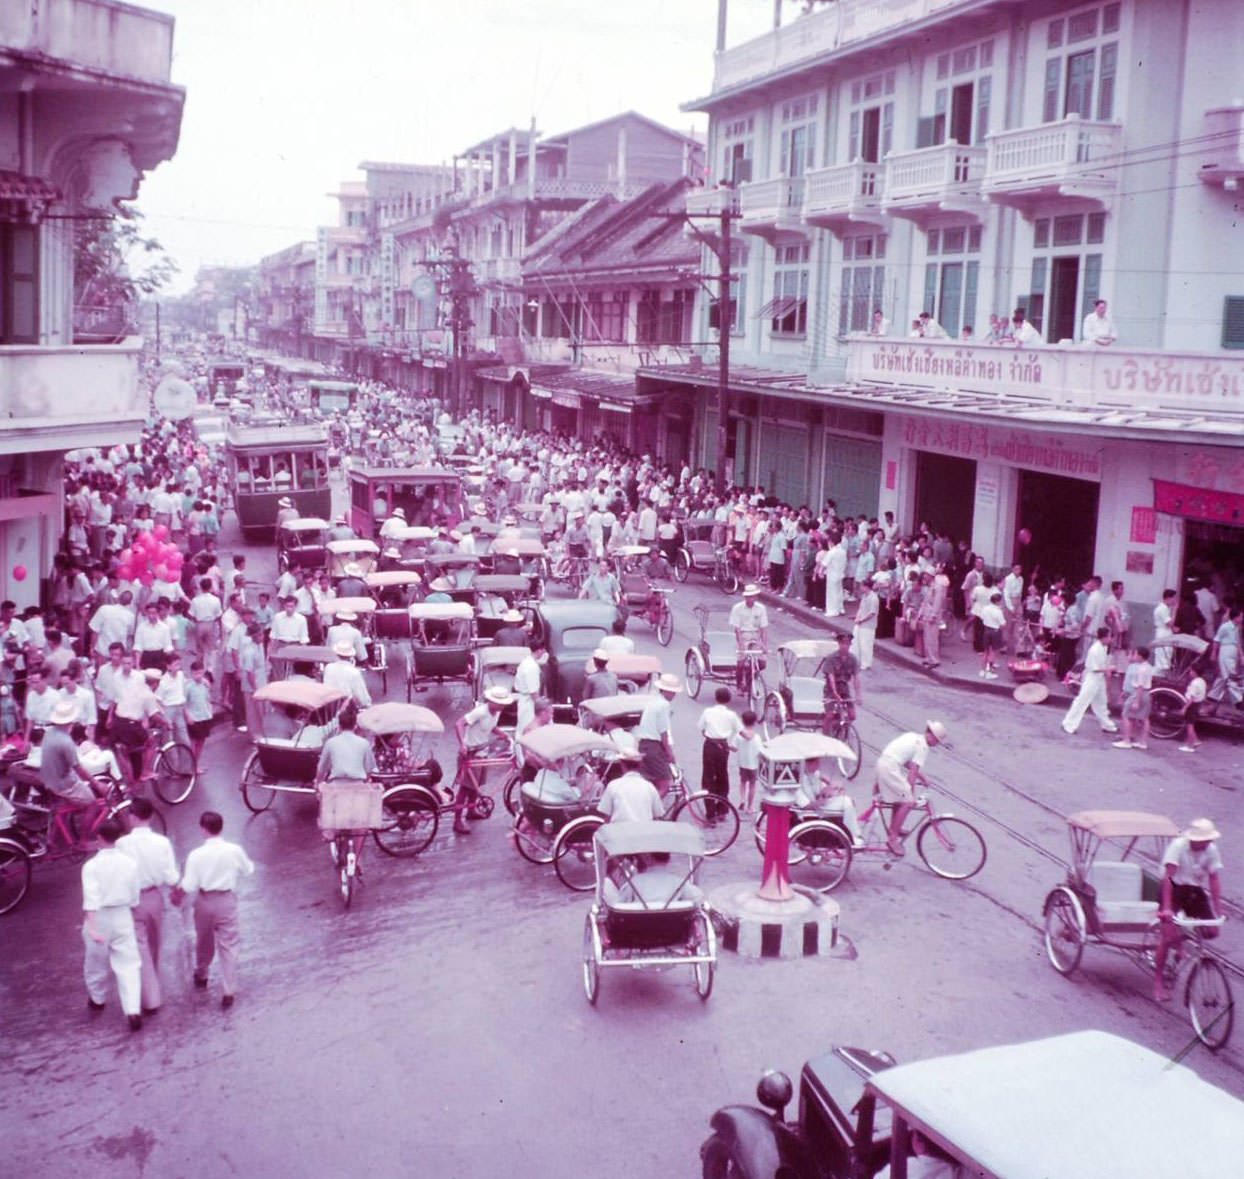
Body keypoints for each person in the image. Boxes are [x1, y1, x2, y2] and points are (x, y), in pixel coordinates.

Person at [172, 811, 255, 1009]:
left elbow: (190, 885)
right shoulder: (234, 850)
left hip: (204, 901)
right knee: (228, 945)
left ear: (203, 829)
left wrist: (178, 893)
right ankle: (229, 989)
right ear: (221, 827)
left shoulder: (196, 855)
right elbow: (248, 870)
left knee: (204, 940)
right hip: (226, 900)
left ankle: (202, 972)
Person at [115, 797, 179, 1015]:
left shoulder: (122, 844)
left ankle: (148, 991)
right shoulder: (162, 843)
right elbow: (171, 875)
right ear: (151, 816)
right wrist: (176, 891)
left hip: (132, 900)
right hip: (155, 898)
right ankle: (150, 991)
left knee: (140, 946)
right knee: (154, 944)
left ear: (132, 816)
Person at [81, 817, 144, 1031]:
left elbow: (90, 898)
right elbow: (135, 894)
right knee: (129, 963)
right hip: (123, 915)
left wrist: (92, 927)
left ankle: (97, 999)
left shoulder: (91, 866)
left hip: (100, 916)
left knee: (95, 963)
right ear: (118, 838)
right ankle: (132, 1009)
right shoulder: (130, 863)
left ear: (99, 838)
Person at [1153, 818, 1223, 1002]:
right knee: (1167, 937)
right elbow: (1168, 878)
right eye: (1206, 839)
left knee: (1212, 930)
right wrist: (1167, 908)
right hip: (1173, 888)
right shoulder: (1178, 846)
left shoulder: (1211, 849)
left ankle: (1180, 943)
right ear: (1195, 839)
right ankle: (1158, 980)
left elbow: (1214, 878)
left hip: (1194, 890)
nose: (1209, 842)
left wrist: (1218, 909)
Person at [314, 709, 379, 864]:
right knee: (361, 826)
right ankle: (355, 859)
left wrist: (318, 783)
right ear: (355, 725)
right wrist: (365, 781)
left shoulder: (331, 743)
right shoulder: (364, 743)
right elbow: (370, 770)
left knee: (324, 798)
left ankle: (330, 829)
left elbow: (321, 769)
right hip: (358, 787)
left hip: (336, 787)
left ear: (339, 725)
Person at [874, 721, 946, 856]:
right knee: (908, 802)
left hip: (884, 764)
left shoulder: (913, 736)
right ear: (932, 736)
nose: (936, 744)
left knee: (901, 799)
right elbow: (912, 773)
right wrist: (911, 794)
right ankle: (892, 839)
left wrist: (923, 777)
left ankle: (894, 828)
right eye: (937, 741)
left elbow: (907, 761)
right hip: (889, 768)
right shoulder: (923, 747)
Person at [452, 687, 512, 835]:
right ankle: (457, 821)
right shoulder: (480, 711)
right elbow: (459, 724)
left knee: (476, 785)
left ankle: (471, 810)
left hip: (482, 752)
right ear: (491, 702)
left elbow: (492, 727)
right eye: (499, 703)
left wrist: (502, 734)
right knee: (465, 788)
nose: (501, 706)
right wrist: (462, 745)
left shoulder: (496, 713)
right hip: (470, 753)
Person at [1061, 627, 1118, 736]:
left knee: (1101, 702)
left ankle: (1107, 725)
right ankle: (1068, 724)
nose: (1111, 639)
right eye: (1110, 636)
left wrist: (1107, 668)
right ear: (1104, 637)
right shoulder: (1095, 649)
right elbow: (1094, 668)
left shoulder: (1104, 647)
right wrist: (1108, 669)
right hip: (1092, 677)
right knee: (1082, 701)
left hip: (1099, 678)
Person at [635, 673, 681, 796]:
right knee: (665, 782)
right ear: (665, 691)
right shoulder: (664, 705)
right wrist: (670, 754)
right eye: (672, 692)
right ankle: (650, 809)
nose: (674, 695)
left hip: (644, 745)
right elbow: (664, 734)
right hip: (653, 746)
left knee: (651, 781)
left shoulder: (653, 701)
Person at [698, 686, 741, 820]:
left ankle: (710, 812)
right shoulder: (731, 715)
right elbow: (740, 731)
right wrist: (733, 744)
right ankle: (722, 809)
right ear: (728, 700)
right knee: (723, 776)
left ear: (716, 698)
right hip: (723, 746)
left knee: (708, 777)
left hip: (710, 745)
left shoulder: (708, 712)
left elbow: (701, 728)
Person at [1112, 646, 1154, 751]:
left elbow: (1140, 686)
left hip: (1138, 694)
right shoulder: (1148, 667)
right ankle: (1142, 742)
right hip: (1146, 694)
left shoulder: (1141, 669)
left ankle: (1126, 741)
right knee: (1144, 718)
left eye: (1135, 654)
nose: (1133, 656)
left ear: (1140, 656)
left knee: (1126, 715)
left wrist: (1136, 701)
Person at [596, 760, 664, 824]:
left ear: (622, 764)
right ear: (640, 765)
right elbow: (658, 815)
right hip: (644, 833)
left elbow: (606, 816)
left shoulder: (613, 785)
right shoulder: (649, 787)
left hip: (619, 832)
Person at [729, 584, 768, 690]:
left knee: (762, 663)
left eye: (753, 596)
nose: (751, 598)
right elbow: (737, 629)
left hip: (756, 636)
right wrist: (741, 644)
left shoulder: (761, 609)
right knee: (741, 663)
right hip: (743, 635)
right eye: (749, 596)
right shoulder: (737, 608)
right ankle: (739, 685)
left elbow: (764, 628)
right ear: (745, 597)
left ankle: (750, 678)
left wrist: (764, 645)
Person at [824, 632, 860, 731]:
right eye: (843, 643)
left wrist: (858, 695)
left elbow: (856, 677)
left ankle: (841, 729)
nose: (845, 646)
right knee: (829, 716)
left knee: (852, 716)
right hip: (830, 689)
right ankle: (825, 735)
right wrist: (835, 693)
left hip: (844, 689)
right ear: (839, 644)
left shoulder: (853, 659)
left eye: (847, 644)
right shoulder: (831, 658)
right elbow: (831, 677)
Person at [323, 641, 372, 709]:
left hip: (330, 706)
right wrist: (367, 704)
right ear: (350, 656)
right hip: (346, 707)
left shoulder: (328, 668)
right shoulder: (354, 672)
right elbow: (361, 695)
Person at [735, 709, 762, 815]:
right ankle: (750, 807)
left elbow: (734, 747)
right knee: (752, 785)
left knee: (742, 782)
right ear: (755, 722)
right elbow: (760, 751)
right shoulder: (757, 737)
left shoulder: (739, 735)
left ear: (742, 721)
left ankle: (742, 799)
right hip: (753, 765)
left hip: (742, 763)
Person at [851, 575, 879, 670]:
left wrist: (861, 620)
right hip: (860, 623)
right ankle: (856, 660)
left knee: (866, 644)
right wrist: (857, 617)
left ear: (867, 587)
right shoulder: (864, 596)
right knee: (856, 642)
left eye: (862, 586)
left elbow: (872, 613)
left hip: (868, 626)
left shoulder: (874, 598)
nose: (861, 588)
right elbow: (861, 608)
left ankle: (866, 663)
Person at [1178, 664, 1208, 754]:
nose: (1190, 673)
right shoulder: (1202, 681)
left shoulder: (1195, 683)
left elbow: (1191, 698)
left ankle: (1189, 746)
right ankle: (1195, 740)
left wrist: (1184, 708)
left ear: (1194, 672)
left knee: (1189, 725)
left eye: (1191, 671)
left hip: (1192, 705)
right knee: (1191, 724)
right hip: (1198, 704)